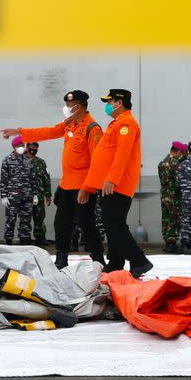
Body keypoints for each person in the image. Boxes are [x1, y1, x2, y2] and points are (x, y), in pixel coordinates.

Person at [0, 90, 104, 269]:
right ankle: (61, 259)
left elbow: (98, 162)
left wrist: (88, 188)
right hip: (66, 185)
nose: (66, 108)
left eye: (69, 105)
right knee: (61, 223)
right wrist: (19, 132)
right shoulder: (70, 123)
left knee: (87, 225)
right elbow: (48, 132)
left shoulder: (92, 128)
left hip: (82, 187)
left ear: (77, 107)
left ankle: (99, 260)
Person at [81, 89, 152, 277]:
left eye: (110, 101)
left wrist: (111, 179)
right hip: (109, 184)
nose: (107, 105)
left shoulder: (126, 124)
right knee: (113, 224)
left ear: (119, 102)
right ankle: (116, 262)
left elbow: (122, 154)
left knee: (114, 224)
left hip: (116, 184)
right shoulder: (117, 123)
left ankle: (139, 261)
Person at [0, 136, 34, 245]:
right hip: (12, 196)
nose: (21, 147)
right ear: (14, 147)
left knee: (26, 220)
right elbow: (4, 179)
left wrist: (35, 194)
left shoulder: (28, 160)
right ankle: (8, 240)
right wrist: (4, 196)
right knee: (11, 219)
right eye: (19, 145)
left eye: (22, 145)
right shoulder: (7, 160)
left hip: (27, 195)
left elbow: (32, 178)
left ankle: (24, 240)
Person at [158, 141, 187, 254]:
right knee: (174, 219)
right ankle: (171, 244)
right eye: (182, 152)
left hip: (164, 194)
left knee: (166, 218)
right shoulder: (175, 163)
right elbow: (179, 180)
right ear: (178, 151)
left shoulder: (162, 162)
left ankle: (167, 242)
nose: (182, 154)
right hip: (174, 195)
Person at [26, 142, 53, 247]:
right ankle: (25, 240)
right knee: (25, 218)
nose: (33, 149)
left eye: (35, 147)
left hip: (39, 195)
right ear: (27, 147)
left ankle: (40, 240)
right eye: (31, 147)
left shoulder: (41, 162)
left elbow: (47, 179)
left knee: (40, 218)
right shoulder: (22, 160)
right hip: (25, 195)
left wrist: (48, 194)